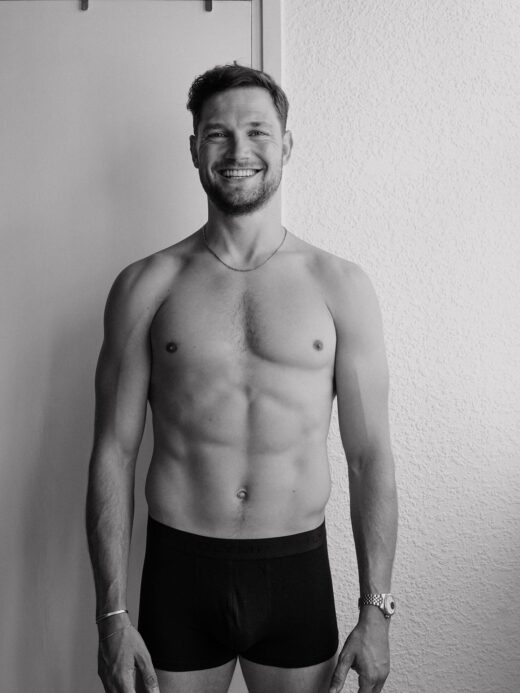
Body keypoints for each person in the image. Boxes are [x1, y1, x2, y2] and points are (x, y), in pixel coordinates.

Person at [86, 63, 398, 693]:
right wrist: (112, 615)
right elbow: (113, 452)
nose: (238, 151)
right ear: (194, 149)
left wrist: (377, 611)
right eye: (217, 134)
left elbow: (369, 457)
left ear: (286, 145)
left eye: (257, 132)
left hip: (294, 571)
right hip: (180, 570)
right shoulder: (146, 285)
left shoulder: (339, 286)